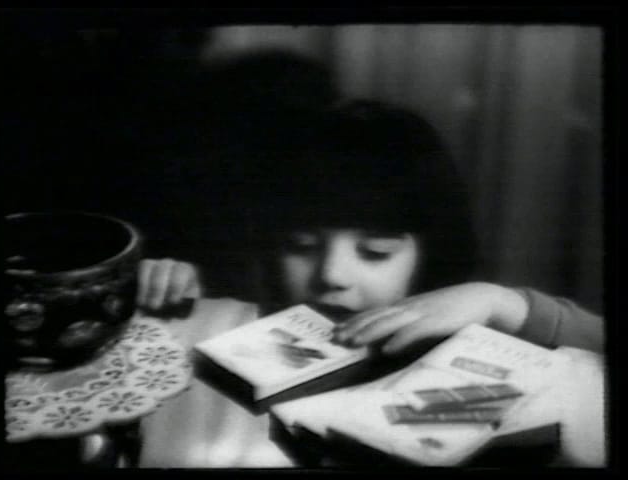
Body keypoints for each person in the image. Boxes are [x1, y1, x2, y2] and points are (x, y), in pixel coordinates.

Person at [136, 99, 604, 355]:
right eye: (301, 245)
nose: (331, 276)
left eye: (375, 251)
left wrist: (501, 303)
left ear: (429, 253)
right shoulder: (249, 308)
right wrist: (165, 287)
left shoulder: (469, 333)